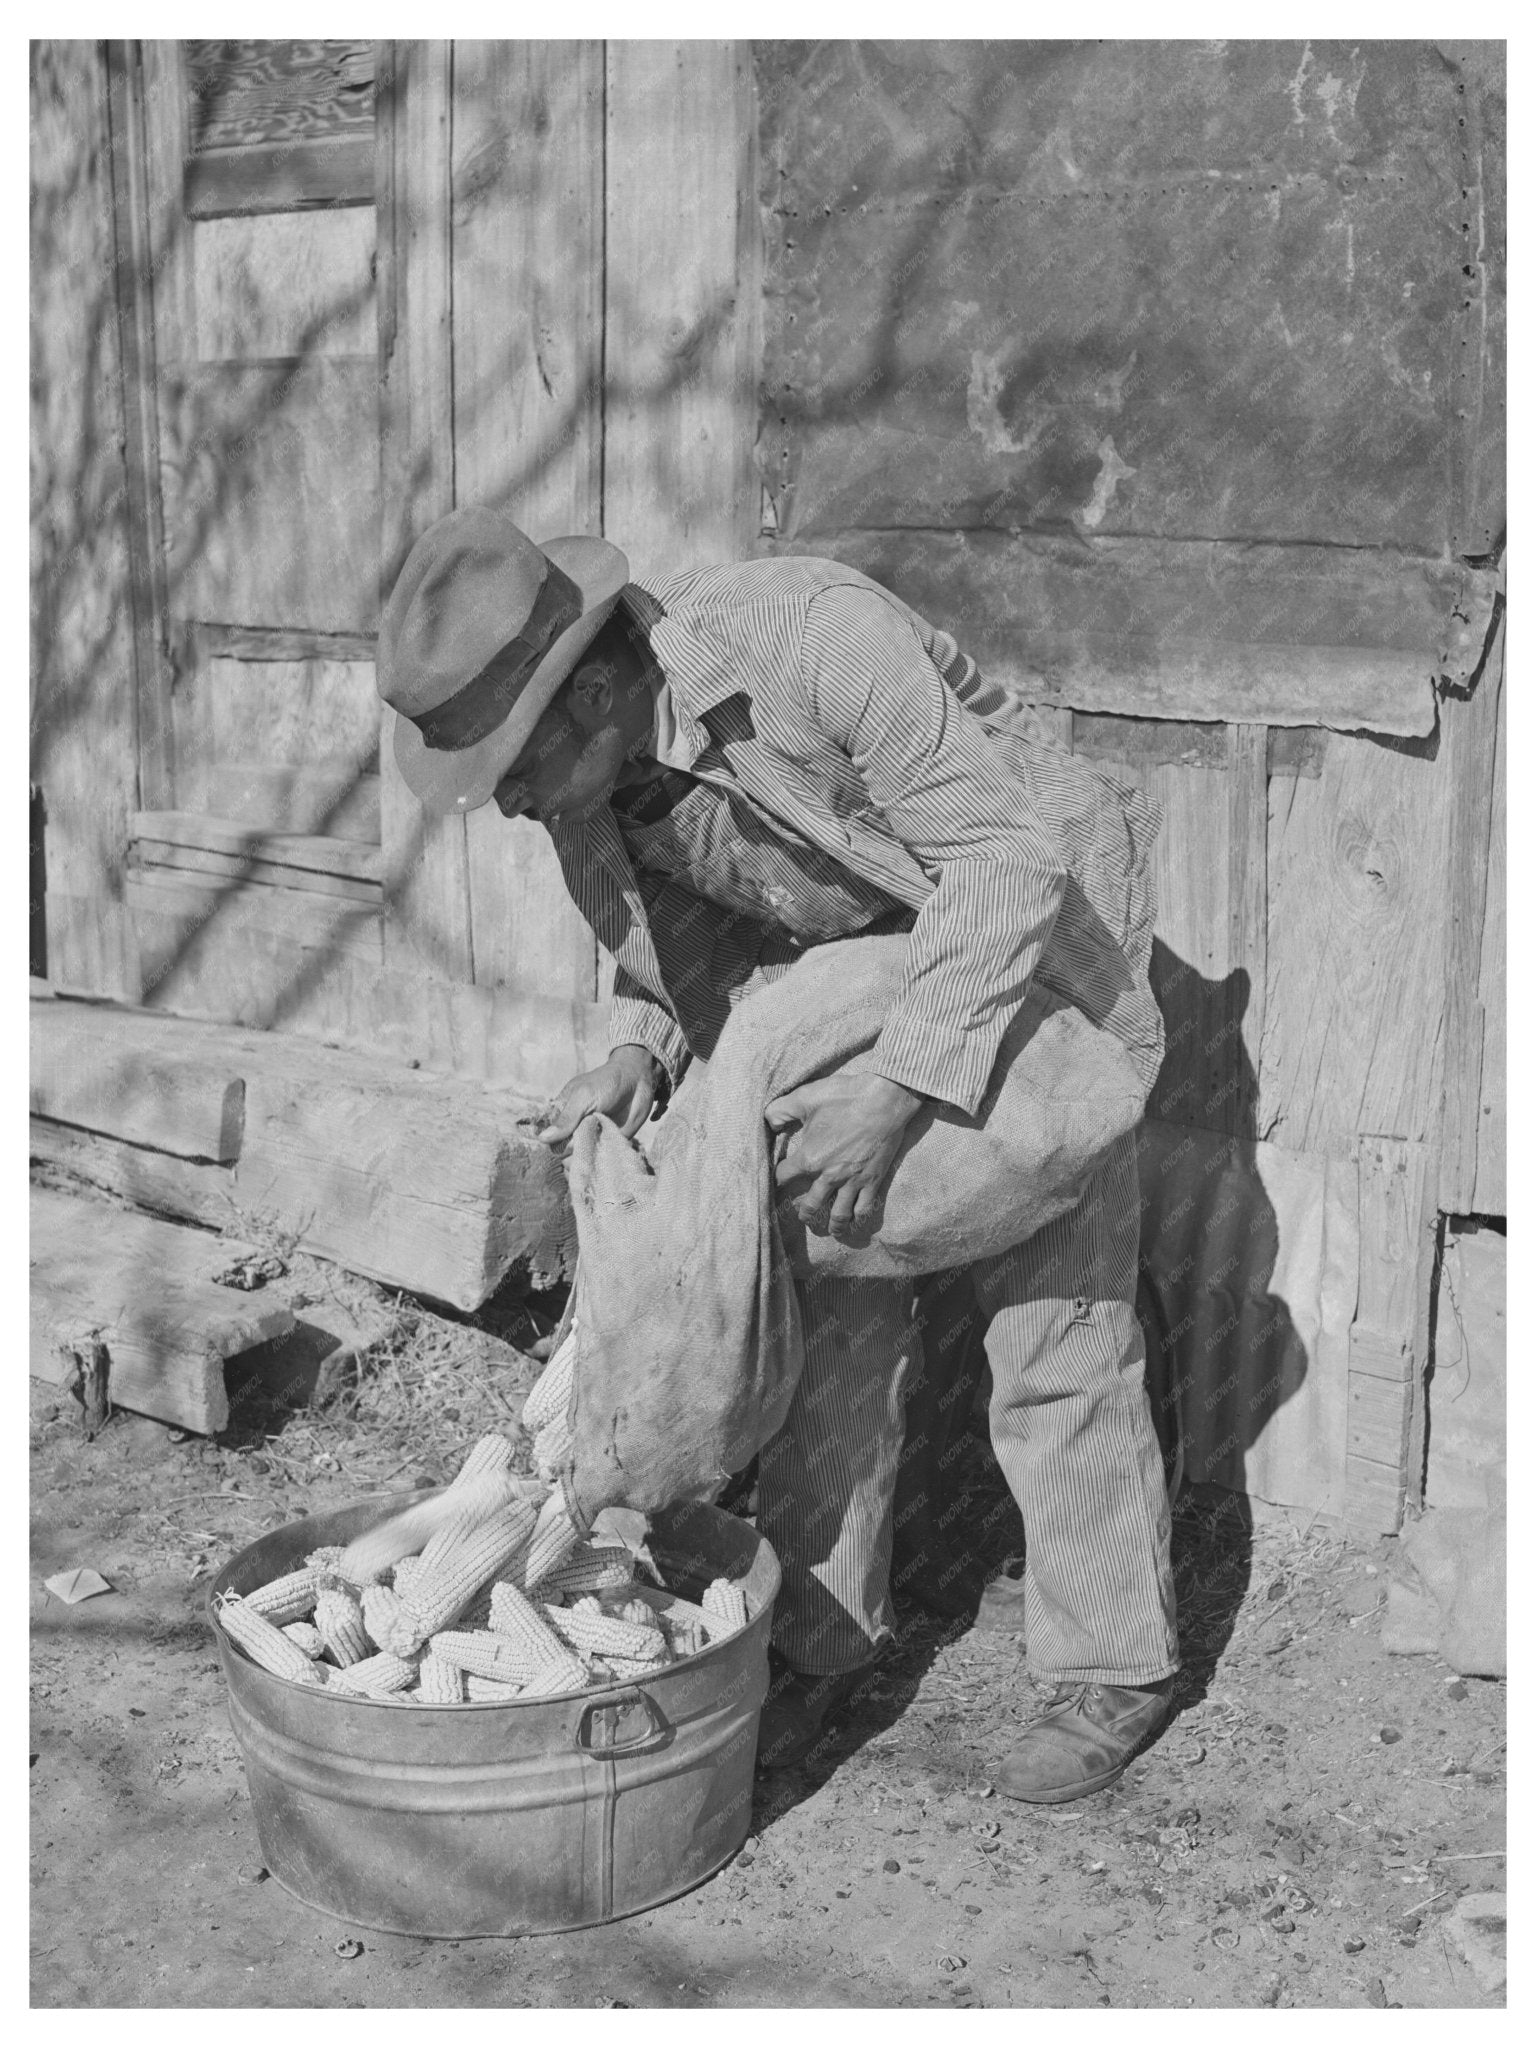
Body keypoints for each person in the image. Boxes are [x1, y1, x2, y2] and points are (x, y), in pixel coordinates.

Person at [377, 508, 1179, 1801]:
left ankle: (1113, 1663)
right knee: (824, 1336)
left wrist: (906, 1089)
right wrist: (637, 1046)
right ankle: (823, 1643)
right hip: (840, 1003)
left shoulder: (810, 640)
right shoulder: (595, 791)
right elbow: (676, 946)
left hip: (1025, 941)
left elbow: (1002, 858)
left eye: (513, 770)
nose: (509, 807)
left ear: (589, 696)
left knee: (1055, 1323)